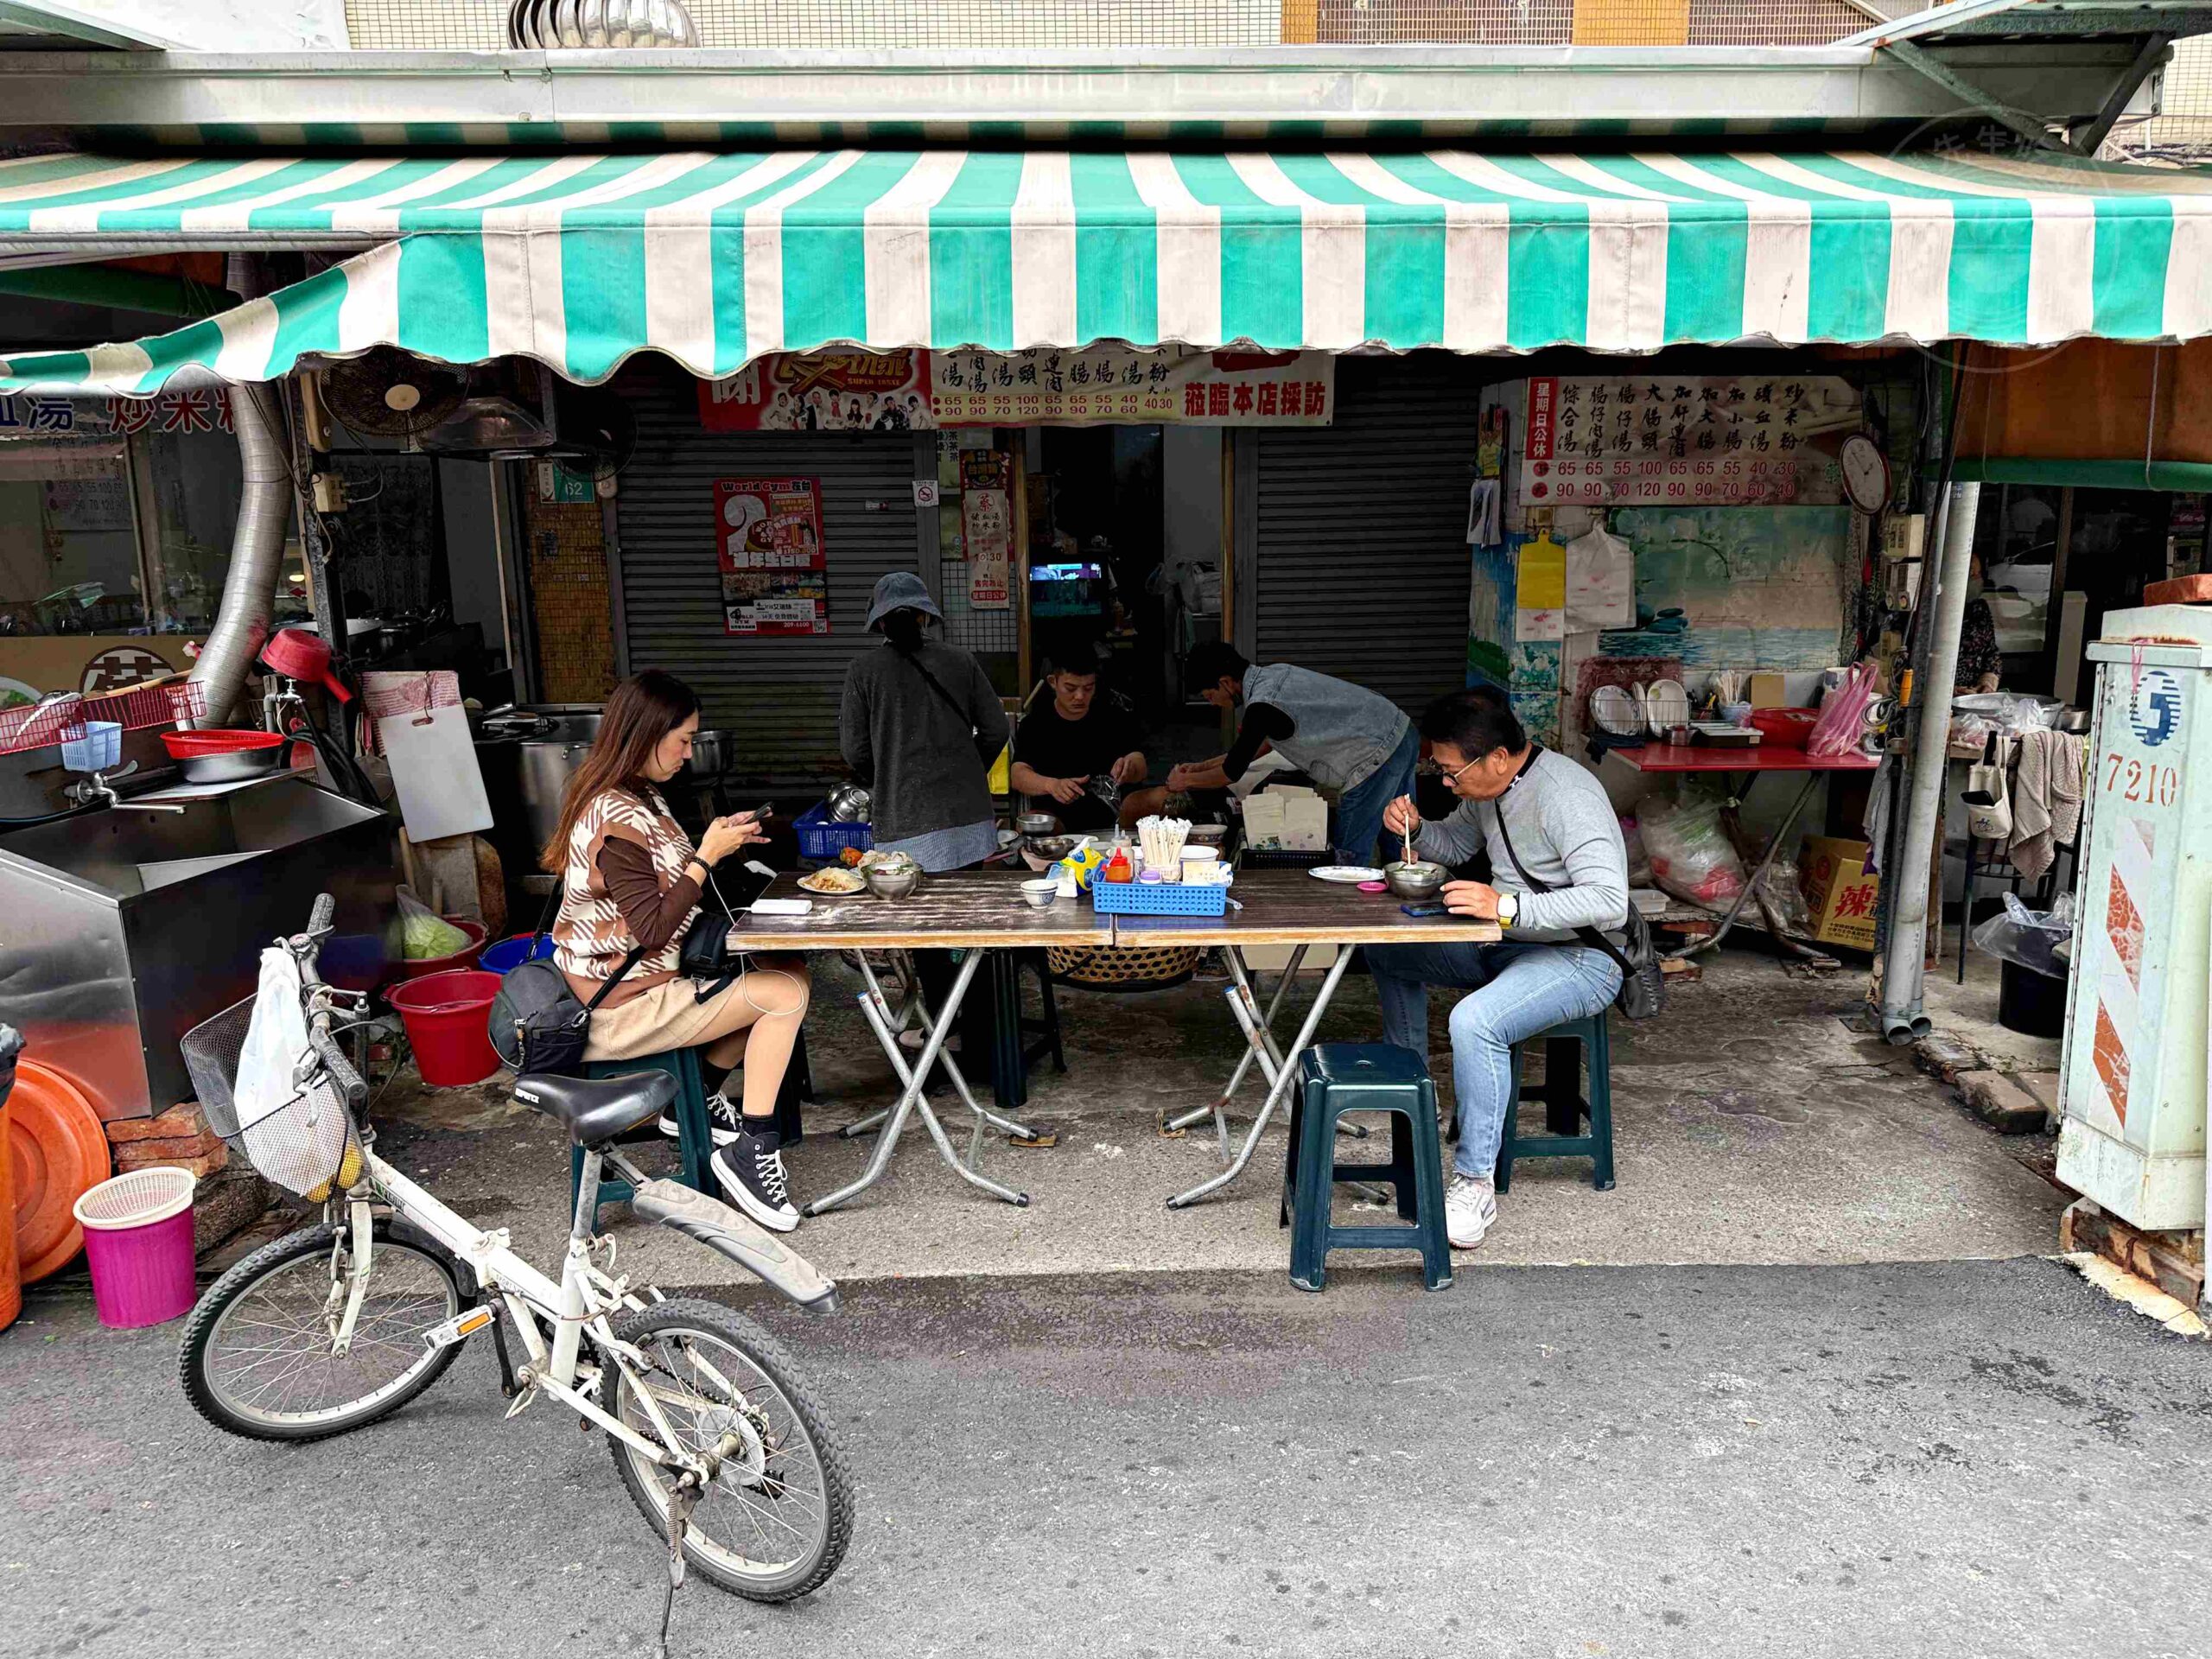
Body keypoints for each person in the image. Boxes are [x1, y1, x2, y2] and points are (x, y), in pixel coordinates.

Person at [544, 671, 811, 1233]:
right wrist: (707, 856)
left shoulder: (639, 796)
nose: (690, 752)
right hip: (618, 1008)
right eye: (683, 739)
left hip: (644, 985)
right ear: (645, 734)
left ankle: (692, 1102)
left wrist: (720, 835)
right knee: (783, 995)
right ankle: (751, 1151)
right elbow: (652, 930)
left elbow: (664, 882)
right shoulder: (615, 819)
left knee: (780, 968)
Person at [1363, 687, 1628, 1252]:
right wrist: (1410, 829)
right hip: (1508, 942)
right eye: (1441, 771)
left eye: (1453, 772)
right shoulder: (1491, 788)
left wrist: (1506, 906)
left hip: (1581, 958)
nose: (1446, 783)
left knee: (1476, 1021)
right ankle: (1420, 1099)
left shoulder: (1565, 794)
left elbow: (1609, 900)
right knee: (1384, 949)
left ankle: (1474, 1183)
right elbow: (1455, 844)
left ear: (1499, 758)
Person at [1167, 641, 1420, 865]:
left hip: (1374, 757)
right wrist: (1200, 768)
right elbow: (1257, 748)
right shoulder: (1275, 675)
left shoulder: (1262, 705)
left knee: (1349, 858)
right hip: (1401, 732)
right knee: (1398, 835)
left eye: (1210, 696)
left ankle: (1345, 913)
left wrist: (1184, 781)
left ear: (1225, 682)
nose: (1213, 703)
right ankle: (1402, 903)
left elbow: (1231, 772)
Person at [841, 570, 1009, 870]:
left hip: (903, 818)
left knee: (912, 910)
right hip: (968, 815)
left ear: (880, 621)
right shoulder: (961, 660)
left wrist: (890, 776)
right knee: (968, 906)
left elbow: (855, 751)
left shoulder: (863, 671)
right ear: (924, 616)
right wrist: (968, 767)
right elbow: (996, 731)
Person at [1009, 647, 1167, 832]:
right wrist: (1051, 785)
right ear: (1053, 682)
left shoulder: (1115, 717)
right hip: (1058, 818)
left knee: (1164, 797)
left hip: (1120, 818)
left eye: (1088, 688)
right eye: (1070, 688)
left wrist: (1129, 767)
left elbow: (1139, 765)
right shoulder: (1035, 724)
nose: (1080, 697)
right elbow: (1018, 775)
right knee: (1031, 823)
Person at [1955, 555, 2002, 693]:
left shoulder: (1979, 609)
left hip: (1972, 696)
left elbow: (1991, 652)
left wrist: (1987, 683)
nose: (1977, 579)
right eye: (1972, 574)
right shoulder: (1926, 612)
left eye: (1978, 574)